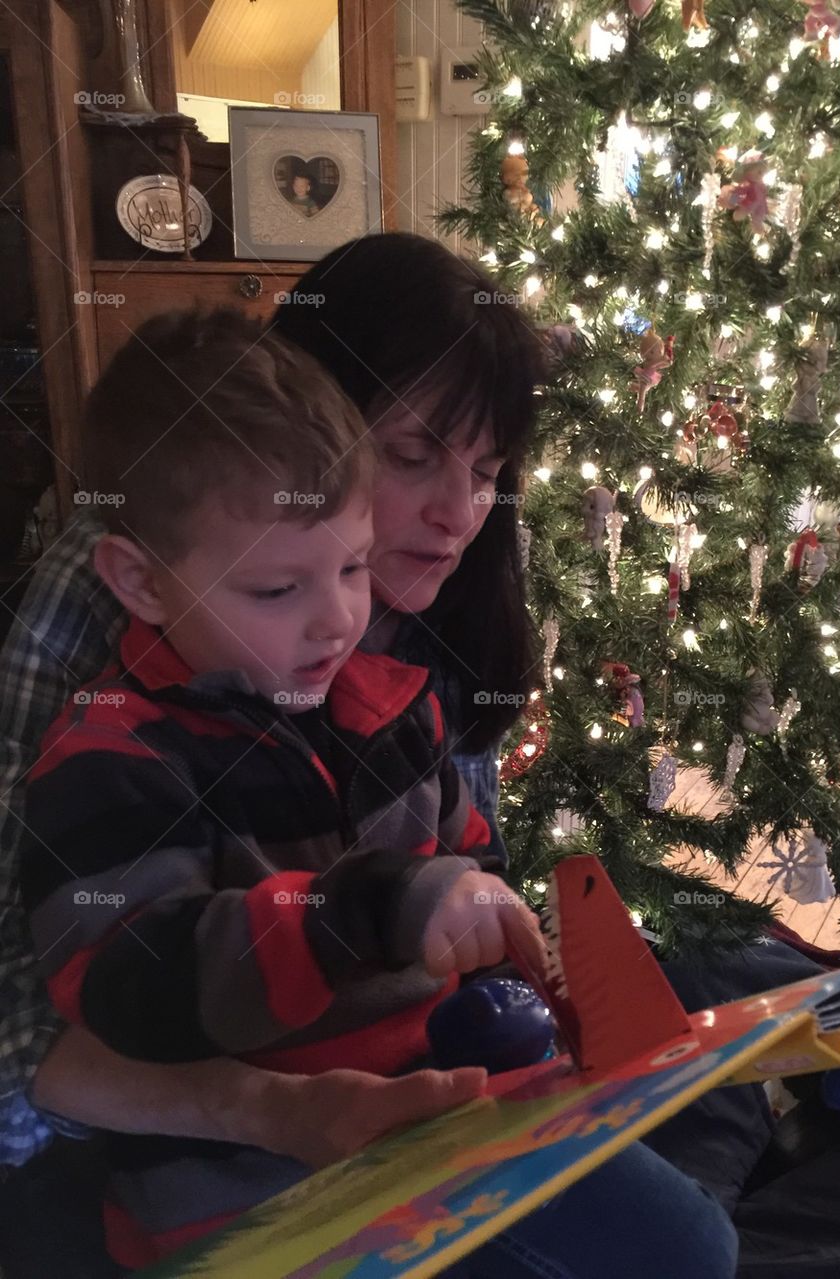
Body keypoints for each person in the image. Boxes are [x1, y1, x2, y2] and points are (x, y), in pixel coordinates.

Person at [0, 234, 738, 1278]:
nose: (460, 514)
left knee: (691, 1241)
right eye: (411, 453)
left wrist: (485, 929)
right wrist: (370, 917)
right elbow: (91, 987)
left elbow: (457, 854)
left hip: (433, 1110)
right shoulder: (120, 686)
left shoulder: (390, 666)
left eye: (487, 472)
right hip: (246, 1182)